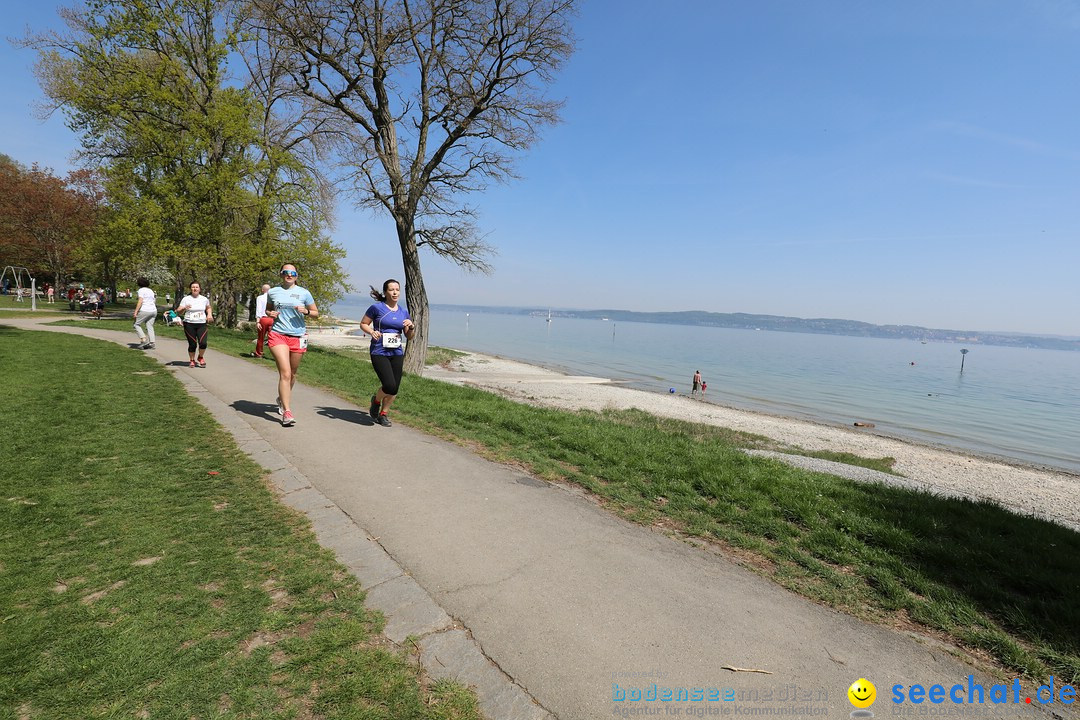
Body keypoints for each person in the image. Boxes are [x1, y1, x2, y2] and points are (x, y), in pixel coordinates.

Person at [266, 264, 318, 427]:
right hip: (278, 335)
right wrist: (270, 313)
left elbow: (316, 313)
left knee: (293, 373)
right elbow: (268, 310)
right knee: (286, 373)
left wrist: (307, 312)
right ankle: (287, 412)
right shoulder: (273, 292)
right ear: (281, 274)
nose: (289, 275)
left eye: (292, 273)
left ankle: (282, 399)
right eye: (286, 272)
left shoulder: (304, 293)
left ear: (297, 275)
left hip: (298, 336)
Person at [360, 279, 415, 427]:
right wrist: (372, 331)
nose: (395, 292)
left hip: (396, 352)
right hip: (379, 351)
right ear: (385, 292)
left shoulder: (404, 312)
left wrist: (411, 327)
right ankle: (376, 401)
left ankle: (383, 414)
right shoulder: (377, 308)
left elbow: (409, 336)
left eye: (397, 289)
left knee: (395, 387)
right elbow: (363, 323)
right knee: (389, 385)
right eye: (391, 289)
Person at [177, 281, 213, 368]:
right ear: (191, 289)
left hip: (201, 323)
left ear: (199, 289)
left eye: (196, 287)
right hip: (189, 324)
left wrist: (209, 314)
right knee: (192, 344)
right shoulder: (186, 299)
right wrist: (184, 308)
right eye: (193, 287)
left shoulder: (204, 299)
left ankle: (200, 357)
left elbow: (208, 307)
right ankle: (192, 360)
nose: (195, 289)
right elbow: (179, 311)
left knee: (203, 343)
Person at [132, 277, 157, 350]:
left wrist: (136, 311)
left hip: (145, 310)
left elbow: (140, 301)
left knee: (136, 324)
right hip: (153, 310)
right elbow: (154, 300)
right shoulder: (151, 290)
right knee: (150, 326)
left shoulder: (141, 290)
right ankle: (152, 342)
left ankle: (143, 339)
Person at [252, 283, 273, 358]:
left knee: (261, 337)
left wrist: (257, 321)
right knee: (272, 337)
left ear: (262, 290)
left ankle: (259, 353)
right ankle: (275, 354)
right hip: (271, 319)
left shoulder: (260, 298)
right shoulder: (273, 298)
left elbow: (259, 309)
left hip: (263, 319)